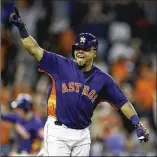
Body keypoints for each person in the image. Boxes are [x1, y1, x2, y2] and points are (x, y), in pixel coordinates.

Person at [9, 7, 149, 156]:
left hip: (82, 134)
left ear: (94, 52)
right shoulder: (61, 65)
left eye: (85, 49)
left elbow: (123, 103)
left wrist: (137, 123)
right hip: (58, 131)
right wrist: (22, 28)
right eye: (77, 48)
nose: (79, 51)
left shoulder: (103, 80)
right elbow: (34, 49)